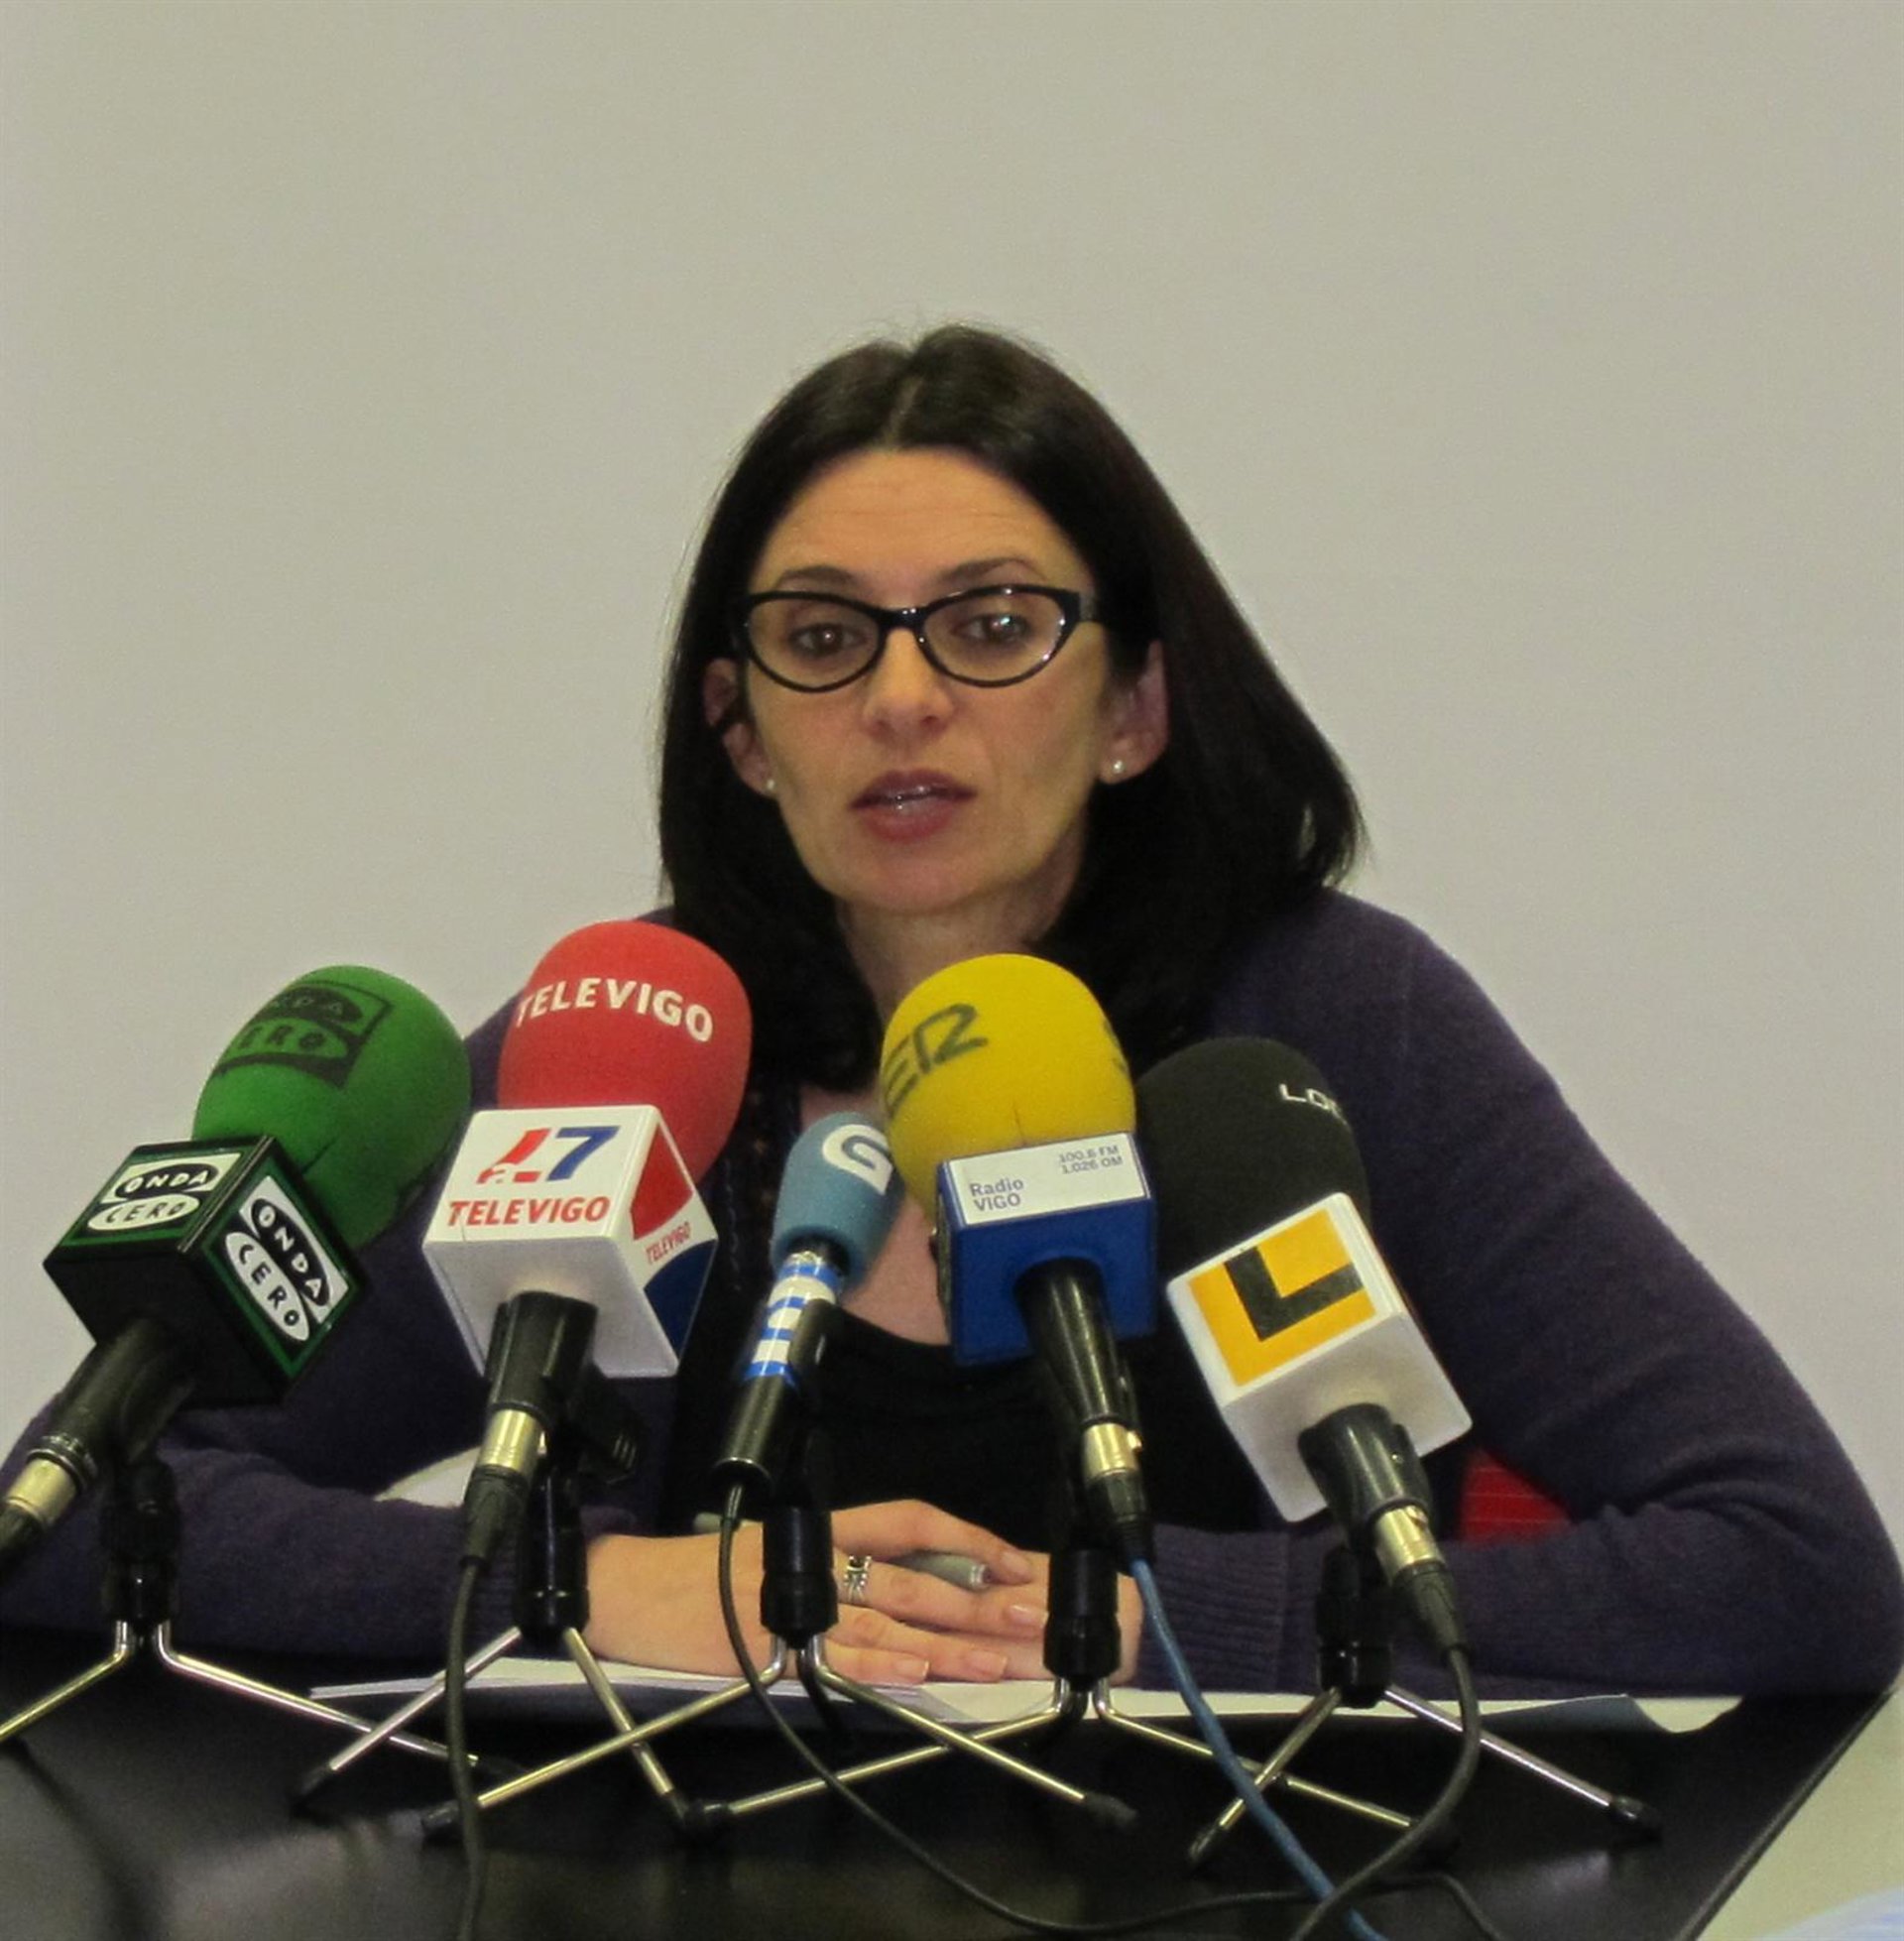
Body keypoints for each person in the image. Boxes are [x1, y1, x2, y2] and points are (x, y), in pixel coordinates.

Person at [2, 324, 1898, 1700]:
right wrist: (589, 1590)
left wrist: (1166, 1622)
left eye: (992, 626)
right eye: (825, 639)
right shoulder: (637, 1047)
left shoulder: (1326, 1031)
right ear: (744, 732)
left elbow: (1797, 1566)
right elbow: (72, 1510)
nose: (903, 702)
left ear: (1134, 706)